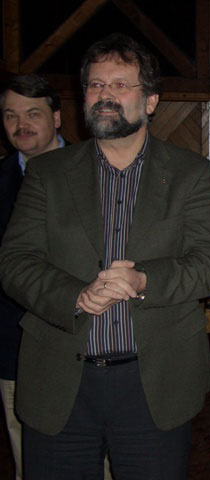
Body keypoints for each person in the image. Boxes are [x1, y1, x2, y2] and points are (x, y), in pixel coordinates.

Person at [0, 33, 210, 479]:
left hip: (154, 383)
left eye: (120, 85)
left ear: (151, 101)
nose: (105, 95)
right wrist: (75, 295)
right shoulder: (47, 173)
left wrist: (144, 280)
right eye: (95, 85)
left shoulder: (190, 173)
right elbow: (15, 261)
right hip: (59, 381)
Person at [0, 74, 65, 480]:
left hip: (85, 343)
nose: (20, 124)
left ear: (56, 118)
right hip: (13, 343)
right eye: (10, 115)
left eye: (32, 114)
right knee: (30, 460)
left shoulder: (100, 170)